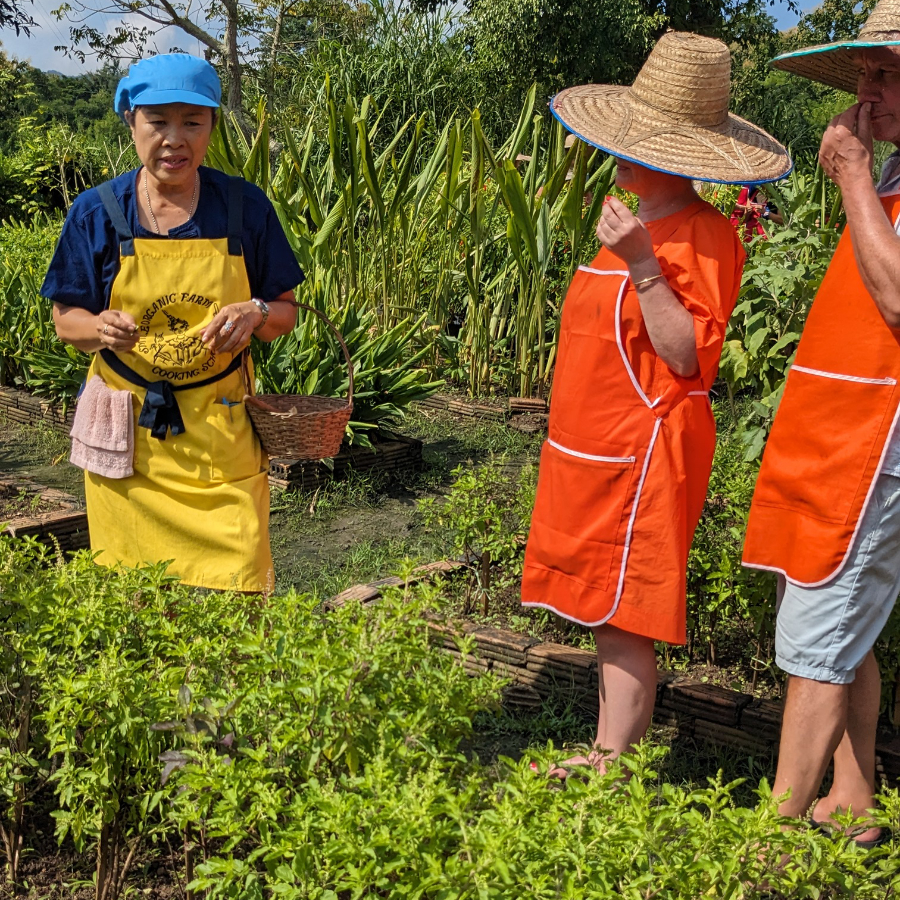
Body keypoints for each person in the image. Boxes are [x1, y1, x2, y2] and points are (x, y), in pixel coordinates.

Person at [521, 31, 791, 778]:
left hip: (645, 446)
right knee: (603, 607)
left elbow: (684, 353)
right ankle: (609, 752)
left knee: (624, 610)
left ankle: (613, 762)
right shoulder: (633, 218)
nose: (620, 149)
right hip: (591, 443)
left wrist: (642, 262)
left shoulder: (701, 233)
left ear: (674, 155)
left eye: (637, 140)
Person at [41, 54, 303, 593]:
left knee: (239, 594)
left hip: (219, 433)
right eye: (157, 121)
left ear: (212, 126)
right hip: (129, 443)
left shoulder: (244, 208)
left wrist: (253, 313)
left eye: (192, 121)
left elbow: (285, 313)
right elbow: (66, 321)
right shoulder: (97, 212)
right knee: (135, 604)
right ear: (131, 122)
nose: (174, 139)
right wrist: (100, 329)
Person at [742, 0, 900, 848]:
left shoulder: (870, 177)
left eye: (887, 72)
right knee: (839, 621)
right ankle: (852, 797)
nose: (868, 89)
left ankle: (772, 838)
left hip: (877, 442)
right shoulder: (889, 176)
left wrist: (846, 177)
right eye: (867, 72)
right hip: (838, 430)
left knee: (820, 632)